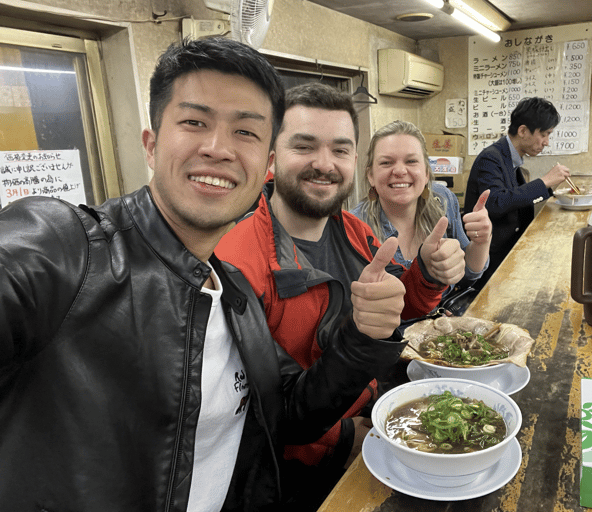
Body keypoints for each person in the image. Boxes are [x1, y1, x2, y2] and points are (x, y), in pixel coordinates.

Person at [0, 37, 410, 512]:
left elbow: (291, 414)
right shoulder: (69, 250)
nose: (218, 148)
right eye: (194, 122)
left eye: (246, 132)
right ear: (151, 145)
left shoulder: (231, 293)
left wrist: (364, 337)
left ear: (266, 167)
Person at [215, 83, 465, 510]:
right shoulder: (235, 263)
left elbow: (396, 307)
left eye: (341, 150)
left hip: (369, 413)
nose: (324, 164)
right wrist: (347, 438)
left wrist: (427, 271)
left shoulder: (353, 230)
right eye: (305, 146)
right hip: (296, 472)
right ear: (272, 158)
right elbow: (267, 412)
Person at [351, 120, 492, 306]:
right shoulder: (354, 226)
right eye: (386, 162)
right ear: (370, 176)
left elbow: (467, 275)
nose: (400, 170)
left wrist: (481, 242)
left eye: (411, 161)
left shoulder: (443, 200)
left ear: (426, 172)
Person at [464, 97, 571, 290]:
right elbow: (496, 203)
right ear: (522, 131)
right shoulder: (491, 158)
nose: (546, 142)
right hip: (491, 256)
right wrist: (545, 181)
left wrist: (546, 187)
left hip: (508, 248)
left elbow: (514, 196)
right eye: (545, 134)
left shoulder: (511, 158)